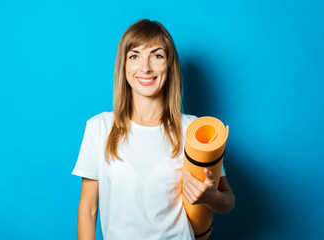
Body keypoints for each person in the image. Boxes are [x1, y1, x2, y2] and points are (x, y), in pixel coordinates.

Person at [72, 19, 235, 240]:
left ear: (169, 65)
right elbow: (88, 209)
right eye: (134, 56)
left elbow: (227, 202)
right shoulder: (99, 127)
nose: (145, 67)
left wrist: (210, 196)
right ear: (124, 65)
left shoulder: (193, 129)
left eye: (157, 55)